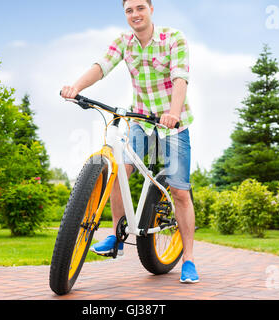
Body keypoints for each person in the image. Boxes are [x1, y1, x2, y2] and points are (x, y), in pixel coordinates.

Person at [60, 0, 199, 283]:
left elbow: (180, 78)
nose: (135, 14)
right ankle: (116, 235)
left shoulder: (173, 38)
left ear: (151, 9)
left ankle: (189, 260)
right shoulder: (123, 42)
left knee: (180, 192)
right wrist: (76, 87)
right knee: (118, 171)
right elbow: (101, 66)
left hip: (172, 123)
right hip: (140, 121)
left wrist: (173, 112)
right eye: (129, 10)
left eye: (140, 8)